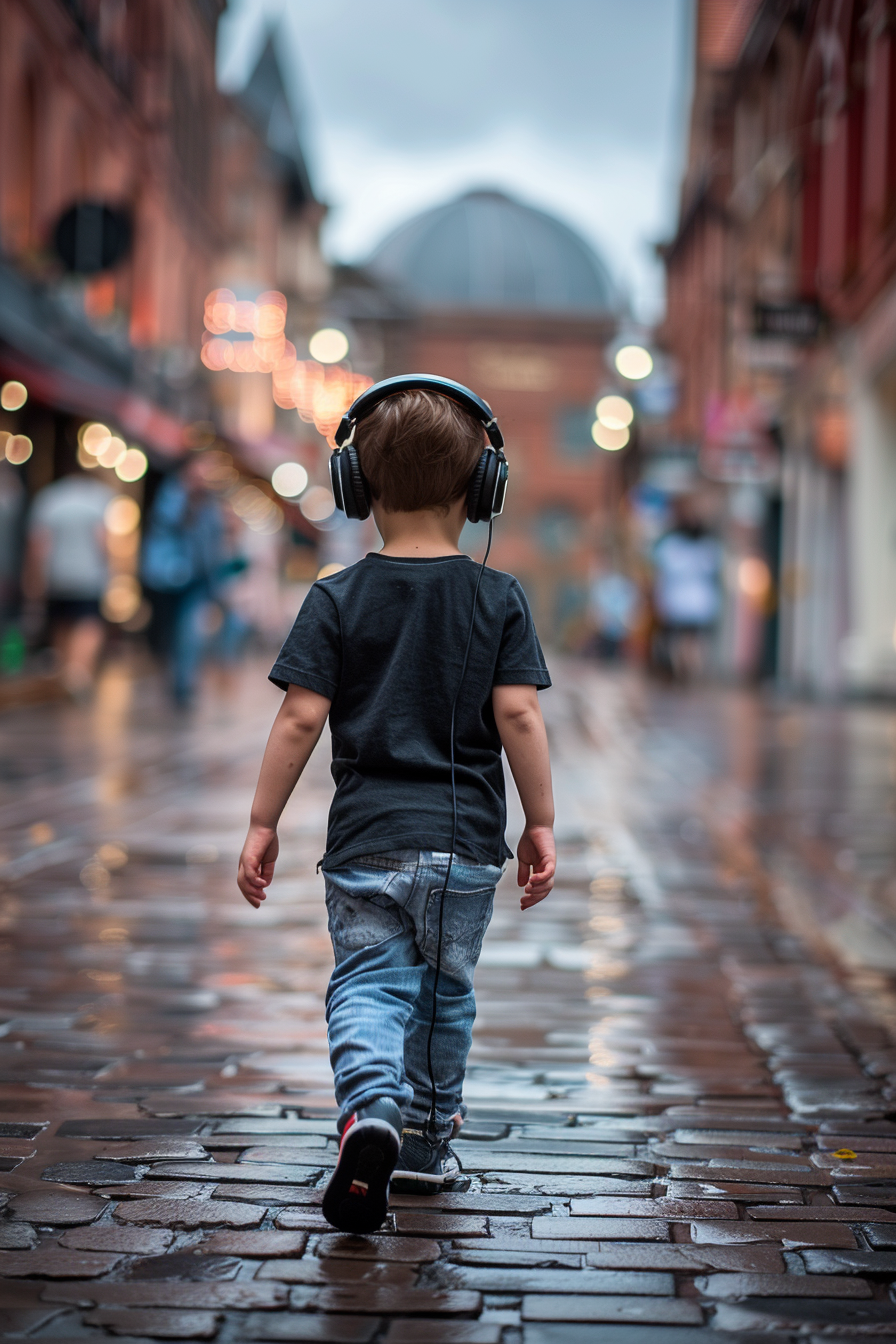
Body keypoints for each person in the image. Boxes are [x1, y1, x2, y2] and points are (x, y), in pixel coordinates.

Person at [237, 387, 555, 1235]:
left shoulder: (336, 596)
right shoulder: (501, 599)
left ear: (355, 485)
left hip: (367, 843)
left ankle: (371, 1108)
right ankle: (423, 1142)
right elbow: (520, 715)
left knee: (370, 983)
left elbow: (300, 716)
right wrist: (541, 822)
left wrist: (264, 821)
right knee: (447, 991)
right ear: (482, 488)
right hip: (465, 848)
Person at [141, 458, 231, 706]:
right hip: (166, 576)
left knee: (190, 630)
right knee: (166, 632)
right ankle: (172, 678)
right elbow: (165, 521)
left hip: (197, 579)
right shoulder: (172, 494)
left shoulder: (210, 503)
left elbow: (214, 541)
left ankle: (183, 683)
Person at [26, 466, 115, 698]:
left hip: (57, 575)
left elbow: (39, 544)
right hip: (88, 575)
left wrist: (35, 577)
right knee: (89, 624)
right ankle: (77, 673)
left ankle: (65, 672)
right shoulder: (98, 498)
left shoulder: (49, 498)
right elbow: (101, 540)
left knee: (62, 623)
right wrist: (111, 568)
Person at [651, 496, 722, 681]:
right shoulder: (677, 544)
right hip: (685, 600)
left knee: (693, 638)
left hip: (693, 601)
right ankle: (684, 671)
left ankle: (689, 672)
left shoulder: (704, 544)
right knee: (683, 638)